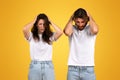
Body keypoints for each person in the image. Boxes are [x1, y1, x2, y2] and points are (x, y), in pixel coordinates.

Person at [23, 13, 63, 80]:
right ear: (36, 25)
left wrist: (50, 22)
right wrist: (33, 21)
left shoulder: (50, 36)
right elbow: (24, 29)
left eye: (44, 24)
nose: (42, 26)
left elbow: (60, 32)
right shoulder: (31, 36)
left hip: (48, 66)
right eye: (40, 24)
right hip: (35, 66)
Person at [64, 8, 99, 80]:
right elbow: (67, 32)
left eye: (82, 22)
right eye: (77, 22)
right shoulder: (72, 29)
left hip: (88, 69)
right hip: (73, 69)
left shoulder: (90, 29)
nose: (80, 24)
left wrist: (90, 16)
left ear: (87, 20)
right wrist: (71, 18)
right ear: (74, 20)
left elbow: (95, 30)